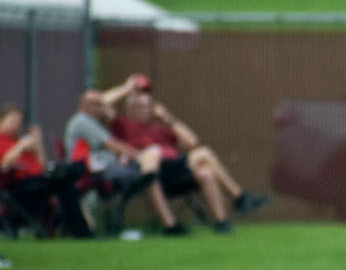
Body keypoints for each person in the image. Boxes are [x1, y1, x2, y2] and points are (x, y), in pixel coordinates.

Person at [110, 79, 269, 233]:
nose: (142, 110)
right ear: (128, 109)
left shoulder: (160, 128)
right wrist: (126, 88)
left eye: (146, 107)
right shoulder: (122, 125)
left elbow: (192, 142)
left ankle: (221, 223)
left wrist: (168, 119)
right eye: (137, 107)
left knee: (205, 172)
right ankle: (239, 197)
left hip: (174, 170)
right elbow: (100, 103)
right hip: (151, 172)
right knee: (203, 154)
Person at [64, 80, 179, 235]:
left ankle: (150, 177)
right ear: (82, 105)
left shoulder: (94, 122)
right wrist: (127, 88)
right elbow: (113, 145)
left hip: (111, 167)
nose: (100, 107)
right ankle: (150, 181)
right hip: (94, 173)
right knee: (149, 167)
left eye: (100, 104)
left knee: (151, 163)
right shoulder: (83, 121)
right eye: (94, 104)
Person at [0, 105, 94, 238]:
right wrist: (20, 147)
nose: (16, 126)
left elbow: (42, 167)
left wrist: (38, 144)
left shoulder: (16, 140)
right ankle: (81, 231)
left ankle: (80, 231)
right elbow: (2, 165)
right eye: (12, 121)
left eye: (18, 122)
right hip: (16, 185)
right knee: (65, 178)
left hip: (37, 181)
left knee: (65, 183)